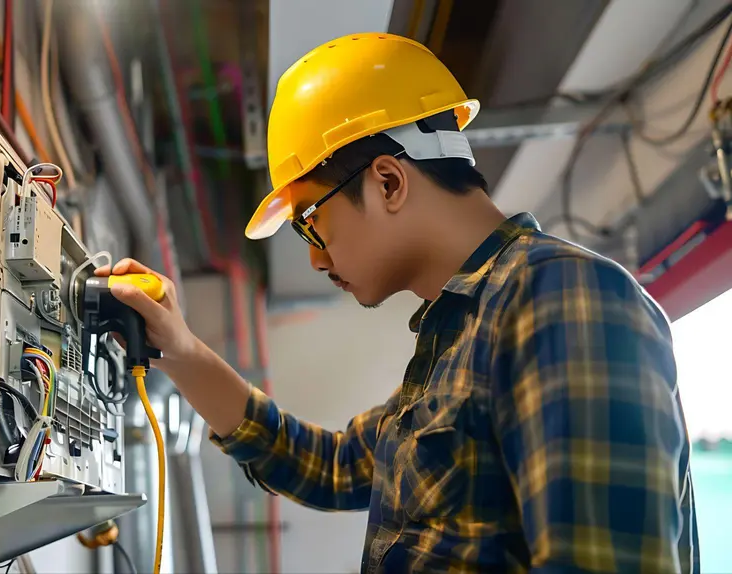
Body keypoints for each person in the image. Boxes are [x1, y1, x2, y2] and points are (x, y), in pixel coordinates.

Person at [97, 32, 697, 573]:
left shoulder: (563, 301)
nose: (316, 257)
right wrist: (178, 347)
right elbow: (328, 467)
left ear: (388, 181)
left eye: (310, 221)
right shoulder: (456, 338)